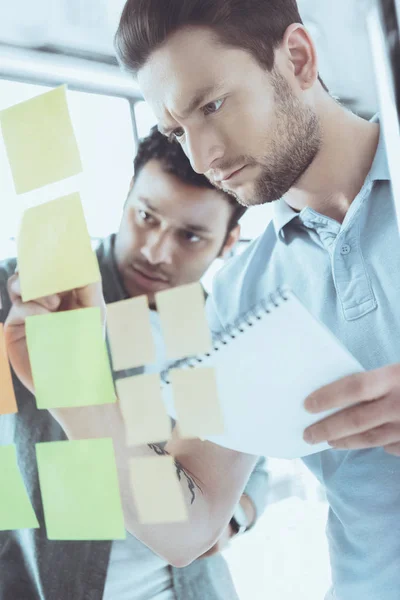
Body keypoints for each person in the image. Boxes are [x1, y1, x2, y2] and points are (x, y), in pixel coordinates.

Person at [5, 0, 400, 599]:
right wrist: (77, 394)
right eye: (176, 131)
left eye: (211, 105)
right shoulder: (245, 295)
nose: (200, 156)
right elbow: (188, 526)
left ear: (296, 58)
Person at [0, 127, 269, 600]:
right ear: (125, 196)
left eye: (190, 236)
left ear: (228, 242)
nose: (155, 251)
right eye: (146, 216)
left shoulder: (220, 329)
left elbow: (252, 462)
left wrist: (229, 518)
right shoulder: (34, 288)